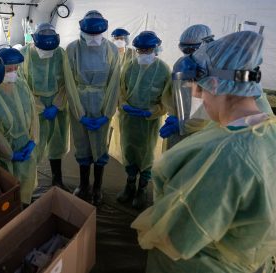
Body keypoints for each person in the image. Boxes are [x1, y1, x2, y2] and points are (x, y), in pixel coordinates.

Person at [131, 31, 276, 273]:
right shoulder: (267, 129)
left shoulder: (225, 158)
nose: (198, 96)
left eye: (200, 89)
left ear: (217, 84)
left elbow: (176, 235)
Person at [64, 10, 120, 206]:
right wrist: (80, 114)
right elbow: (70, 84)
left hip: (102, 102)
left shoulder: (112, 50)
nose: (94, 38)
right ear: (82, 30)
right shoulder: (72, 49)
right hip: (79, 102)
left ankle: (97, 186)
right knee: (82, 145)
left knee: (100, 146)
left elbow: (114, 84)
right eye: (90, 34)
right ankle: (83, 184)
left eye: (98, 34)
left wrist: (107, 113)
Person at [116, 31, 171, 210]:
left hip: (149, 122)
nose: (143, 54)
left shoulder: (163, 70)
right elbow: (121, 91)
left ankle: (142, 189)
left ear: (156, 49)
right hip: (128, 120)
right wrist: (124, 105)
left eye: (147, 50)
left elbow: (167, 100)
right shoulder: (129, 66)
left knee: (146, 153)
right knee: (129, 150)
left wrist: (152, 111)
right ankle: (130, 184)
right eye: (140, 50)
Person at [19, 23, 70, 191]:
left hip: (57, 106)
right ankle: (30, 185)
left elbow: (66, 82)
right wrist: (39, 106)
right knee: (34, 146)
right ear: (34, 40)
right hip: (34, 108)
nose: (47, 54)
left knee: (57, 144)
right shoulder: (24, 55)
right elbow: (22, 85)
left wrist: (56, 105)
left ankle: (57, 179)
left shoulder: (61, 53)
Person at [0, 47, 39, 205]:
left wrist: (33, 140)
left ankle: (26, 205)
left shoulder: (21, 84)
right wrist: (9, 154)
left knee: (27, 186)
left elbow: (33, 114)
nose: (13, 71)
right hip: (5, 152)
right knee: (8, 191)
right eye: (9, 68)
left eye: (16, 68)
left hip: (25, 145)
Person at [159, 24, 214, 148]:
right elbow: (171, 92)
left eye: (192, 50)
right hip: (178, 127)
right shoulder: (182, 64)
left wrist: (184, 124)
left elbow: (208, 109)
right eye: (185, 50)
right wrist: (173, 114)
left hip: (200, 134)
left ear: (207, 45)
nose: (188, 55)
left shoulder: (213, 71)